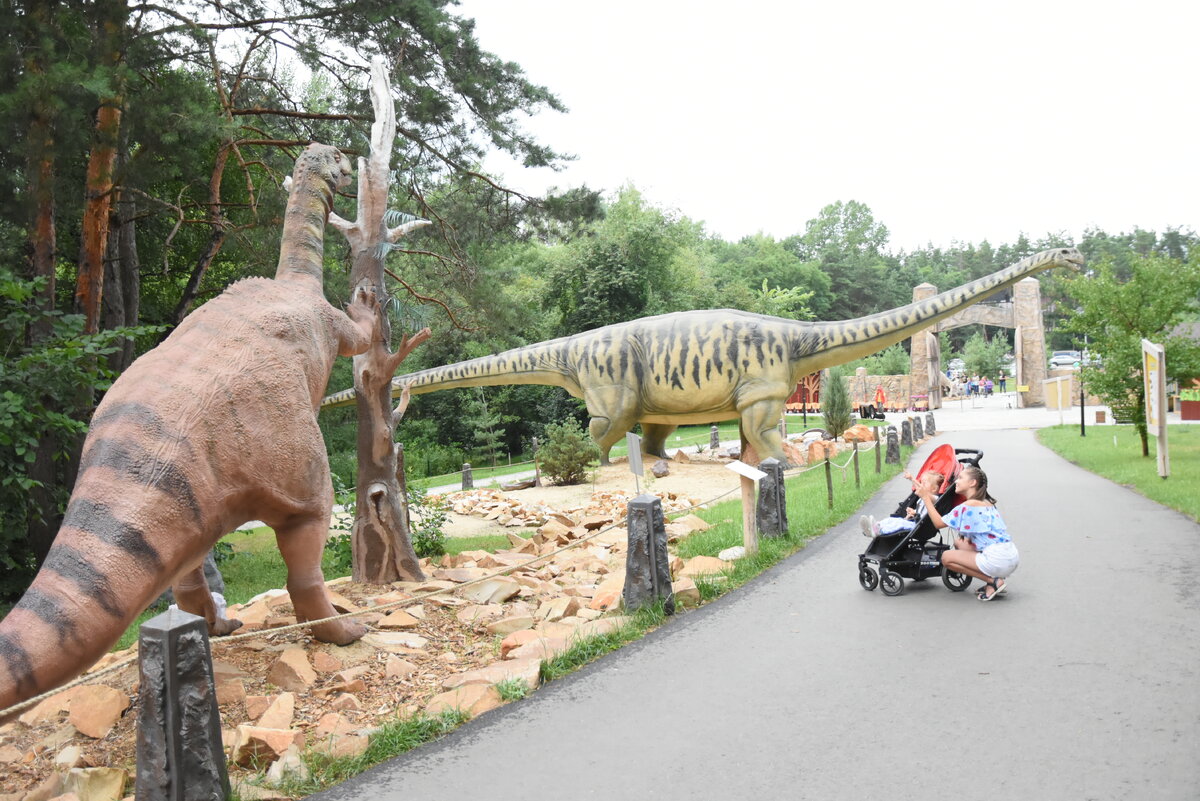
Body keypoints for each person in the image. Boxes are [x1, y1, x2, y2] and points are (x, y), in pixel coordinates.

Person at [915, 465, 1018, 601]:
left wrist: (926, 499)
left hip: (997, 559)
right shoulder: (987, 502)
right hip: (1010, 555)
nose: (956, 481)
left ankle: (993, 581)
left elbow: (938, 523)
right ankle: (993, 579)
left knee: (946, 557)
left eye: (960, 478)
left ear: (972, 483)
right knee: (960, 543)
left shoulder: (967, 506)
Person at [860, 470, 944, 537]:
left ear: (934, 489)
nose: (921, 485)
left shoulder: (935, 499)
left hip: (919, 527)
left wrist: (912, 479)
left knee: (899, 524)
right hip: (914, 521)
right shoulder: (922, 499)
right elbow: (922, 512)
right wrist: (914, 512)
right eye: (921, 482)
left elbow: (922, 490)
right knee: (891, 520)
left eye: (924, 483)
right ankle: (874, 527)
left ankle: (880, 530)